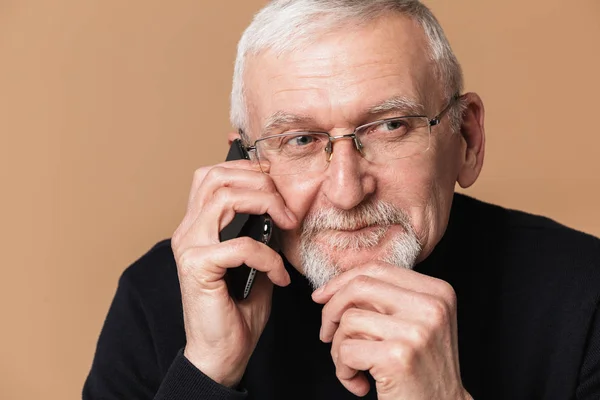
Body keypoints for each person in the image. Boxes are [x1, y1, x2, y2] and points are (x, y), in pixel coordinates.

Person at [82, 1, 600, 399]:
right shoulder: (161, 298)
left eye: (391, 126)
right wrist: (207, 370)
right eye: (301, 140)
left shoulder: (587, 293)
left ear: (467, 138)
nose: (347, 190)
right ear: (242, 161)